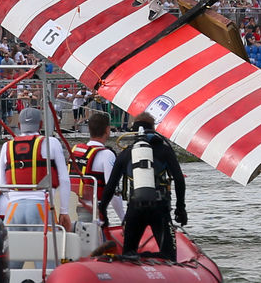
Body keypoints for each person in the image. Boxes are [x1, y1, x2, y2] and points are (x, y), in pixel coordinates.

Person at [98, 112, 186, 261]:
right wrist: (180, 208)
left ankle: (134, 258)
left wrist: (103, 211)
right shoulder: (165, 150)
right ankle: (147, 258)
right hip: (160, 208)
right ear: (153, 128)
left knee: (128, 255)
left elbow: (111, 186)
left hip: (135, 208)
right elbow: (179, 179)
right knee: (169, 256)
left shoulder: (125, 154)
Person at [0, 107, 71, 235]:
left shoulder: (6, 147)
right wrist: (64, 211)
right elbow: (64, 179)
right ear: (41, 124)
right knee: (46, 251)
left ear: (19, 125)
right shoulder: (52, 143)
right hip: (41, 205)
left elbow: (2, 185)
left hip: (13, 208)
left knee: (14, 251)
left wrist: (17, 197)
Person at [70, 112, 125, 224]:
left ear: (89, 129)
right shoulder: (107, 155)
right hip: (94, 212)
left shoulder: (75, 150)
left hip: (73, 210)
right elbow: (113, 191)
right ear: (107, 130)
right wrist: (124, 219)